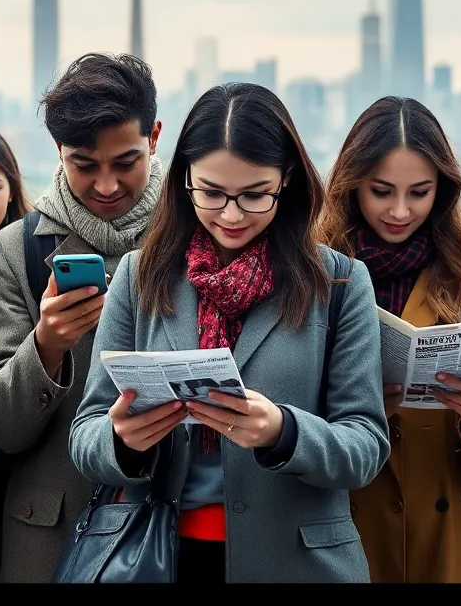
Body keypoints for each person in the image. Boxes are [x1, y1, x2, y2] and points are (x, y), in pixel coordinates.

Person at [69, 82, 390, 583]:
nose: (232, 214)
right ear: (184, 181)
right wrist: (123, 440)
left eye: (255, 195)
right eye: (212, 193)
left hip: (297, 561)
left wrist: (283, 432)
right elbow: (86, 434)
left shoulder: (340, 283)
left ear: (286, 180)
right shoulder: (140, 275)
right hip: (160, 555)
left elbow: (365, 445)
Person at [316, 96, 461, 583]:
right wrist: (352, 412)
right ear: (351, 185)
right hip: (347, 524)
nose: (400, 210)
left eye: (420, 192)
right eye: (382, 191)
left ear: (444, 190)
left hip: (448, 535)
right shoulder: (314, 270)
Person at [0, 52, 164, 583]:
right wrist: (46, 345)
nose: (106, 185)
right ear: (59, 152)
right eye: (85, 164)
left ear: (154, 137)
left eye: (125, 162)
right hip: (52, 537)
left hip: (168, 519)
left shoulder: (192, 242)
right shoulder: (17, 252)